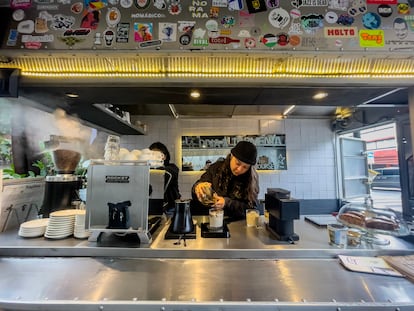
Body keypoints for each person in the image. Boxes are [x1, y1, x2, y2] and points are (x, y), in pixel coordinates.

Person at [191, 141, 259, 219]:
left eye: (245, 167)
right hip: (210, 219)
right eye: (238, 163)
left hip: (237, 223)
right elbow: (198, 188)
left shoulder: (251, 179)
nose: (239, 169)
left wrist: (227, 203)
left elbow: (251, 209)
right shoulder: (215, 168)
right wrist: (198, 187)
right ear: (231, 156)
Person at [149, 142, 181, 212]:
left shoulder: (172, 168)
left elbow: (166, 174)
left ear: (164, 156)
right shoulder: (148, 170)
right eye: (151, 155)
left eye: (157, 155)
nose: (154, 157)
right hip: (153, 206)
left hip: (171, 207)